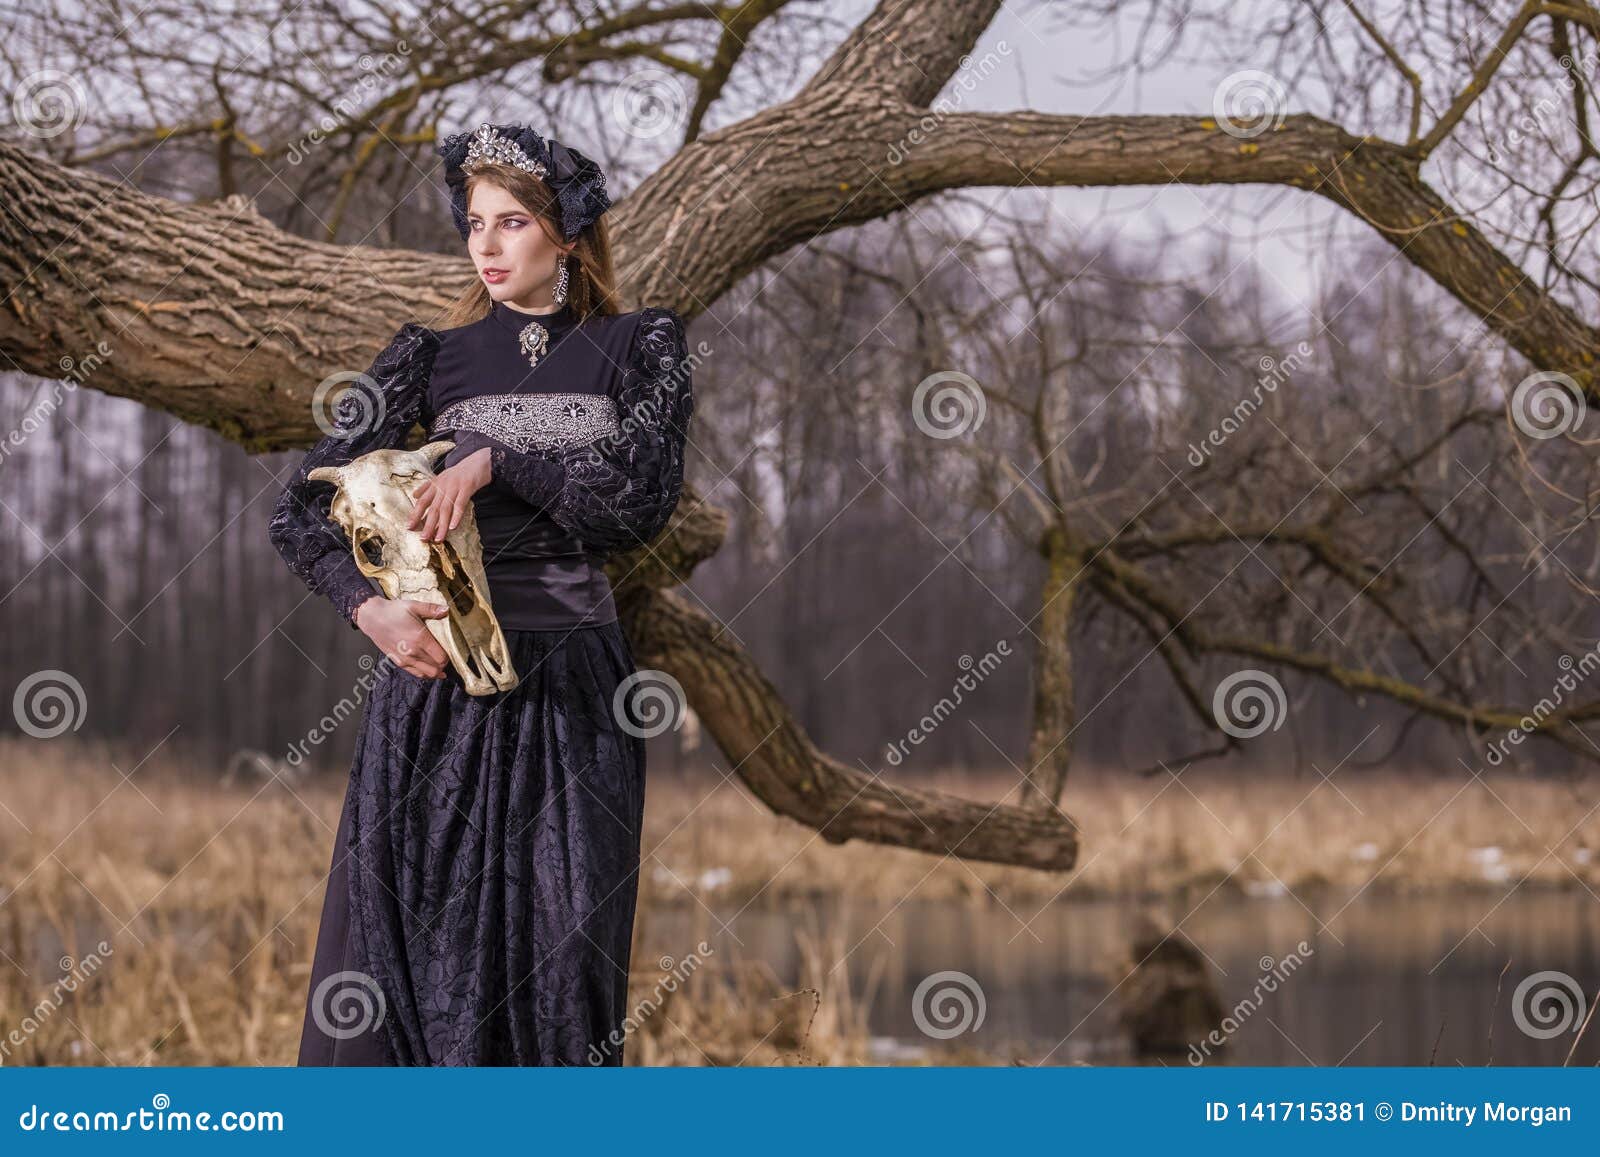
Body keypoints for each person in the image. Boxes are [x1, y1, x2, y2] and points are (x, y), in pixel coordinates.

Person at [266, 120, 695, 1065]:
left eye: (511, 223)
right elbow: (300, 510)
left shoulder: (642, 344)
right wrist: (369, 608)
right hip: (436, 694)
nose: (486, 247)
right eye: (473, 225)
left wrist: (497, 459)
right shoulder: (431, 356)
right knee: (412, 961)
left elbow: (637, 503)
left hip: (575, 695)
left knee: (562, 967)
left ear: (569, 235)